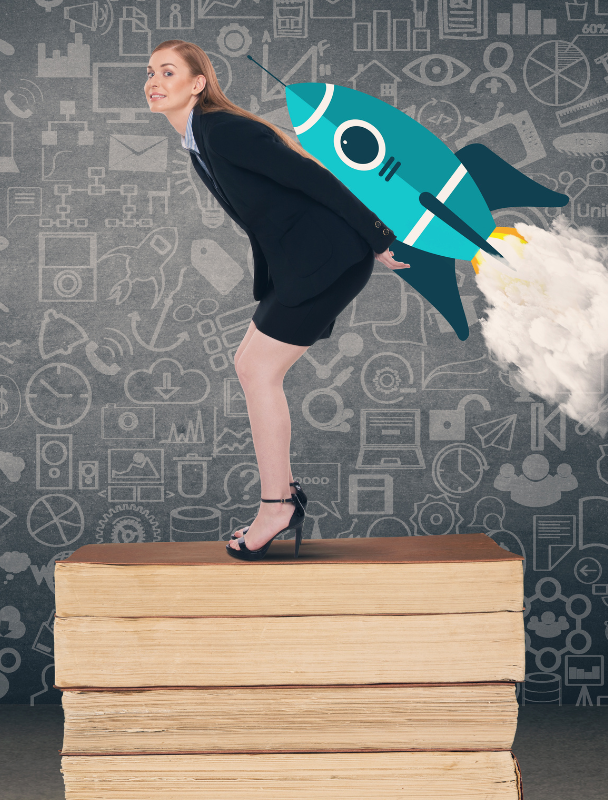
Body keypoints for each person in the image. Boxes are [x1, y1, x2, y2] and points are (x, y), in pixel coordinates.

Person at [145, 40, 411, 561]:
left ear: (198, 83)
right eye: (150, 71)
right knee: (249, 364)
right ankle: (281, 498)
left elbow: (312, 177)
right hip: (302, 262)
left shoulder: (223, 130)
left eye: (168, 71)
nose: (154, 80)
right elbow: (264, 211)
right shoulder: (200, 138)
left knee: (259, 372)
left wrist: (376, 236)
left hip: (327, 257)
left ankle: (276, 507)